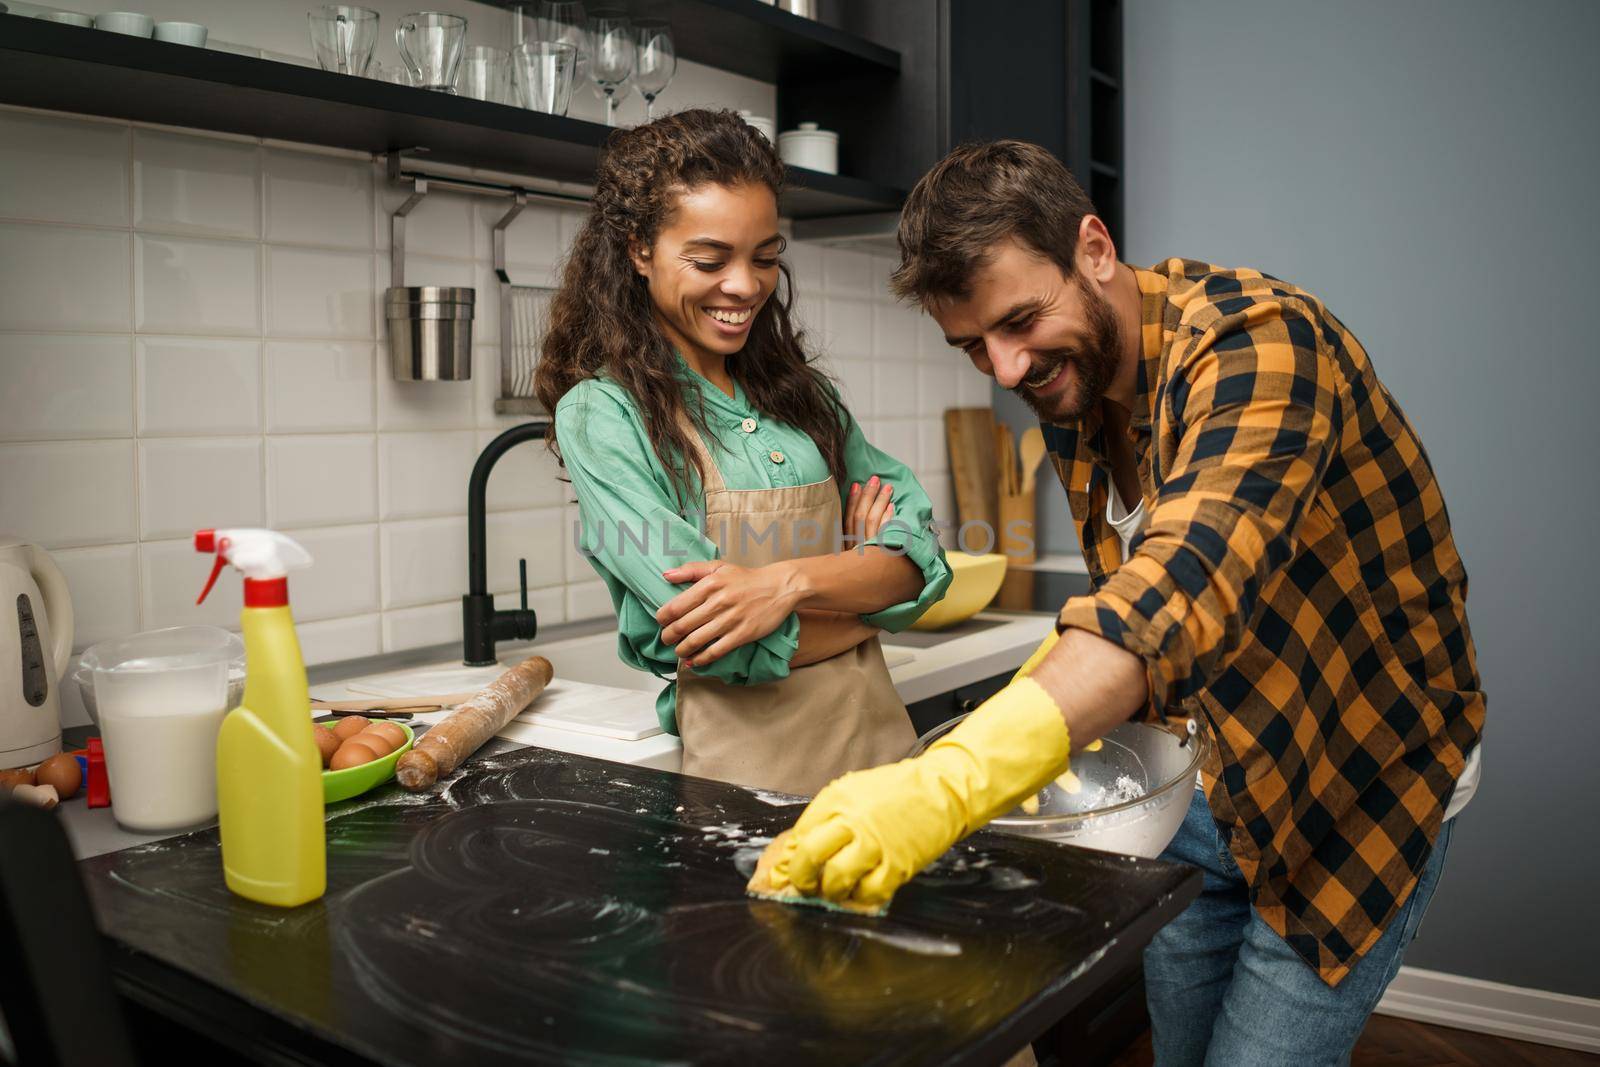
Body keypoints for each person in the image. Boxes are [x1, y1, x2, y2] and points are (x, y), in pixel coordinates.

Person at [751, 140, 1485, 1065]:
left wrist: (946, 785)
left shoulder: (1264, 344)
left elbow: (1176, 589)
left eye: (1019, 321)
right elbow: (1136, 607)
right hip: (1207, 777)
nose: (1007, 369)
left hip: (1351, 782)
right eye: (974, 344)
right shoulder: (1081, 384)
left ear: (1094, 249)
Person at [534, 109, 951, 797]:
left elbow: (921, 561)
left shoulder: (803, 395)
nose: (745, 286)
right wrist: (861, 583)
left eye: (764, 256)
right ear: (640, 250)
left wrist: (784, 584)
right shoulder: (604, 415)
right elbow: (710, 634)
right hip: (749, 790)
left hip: (886, 767)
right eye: (709, 259)